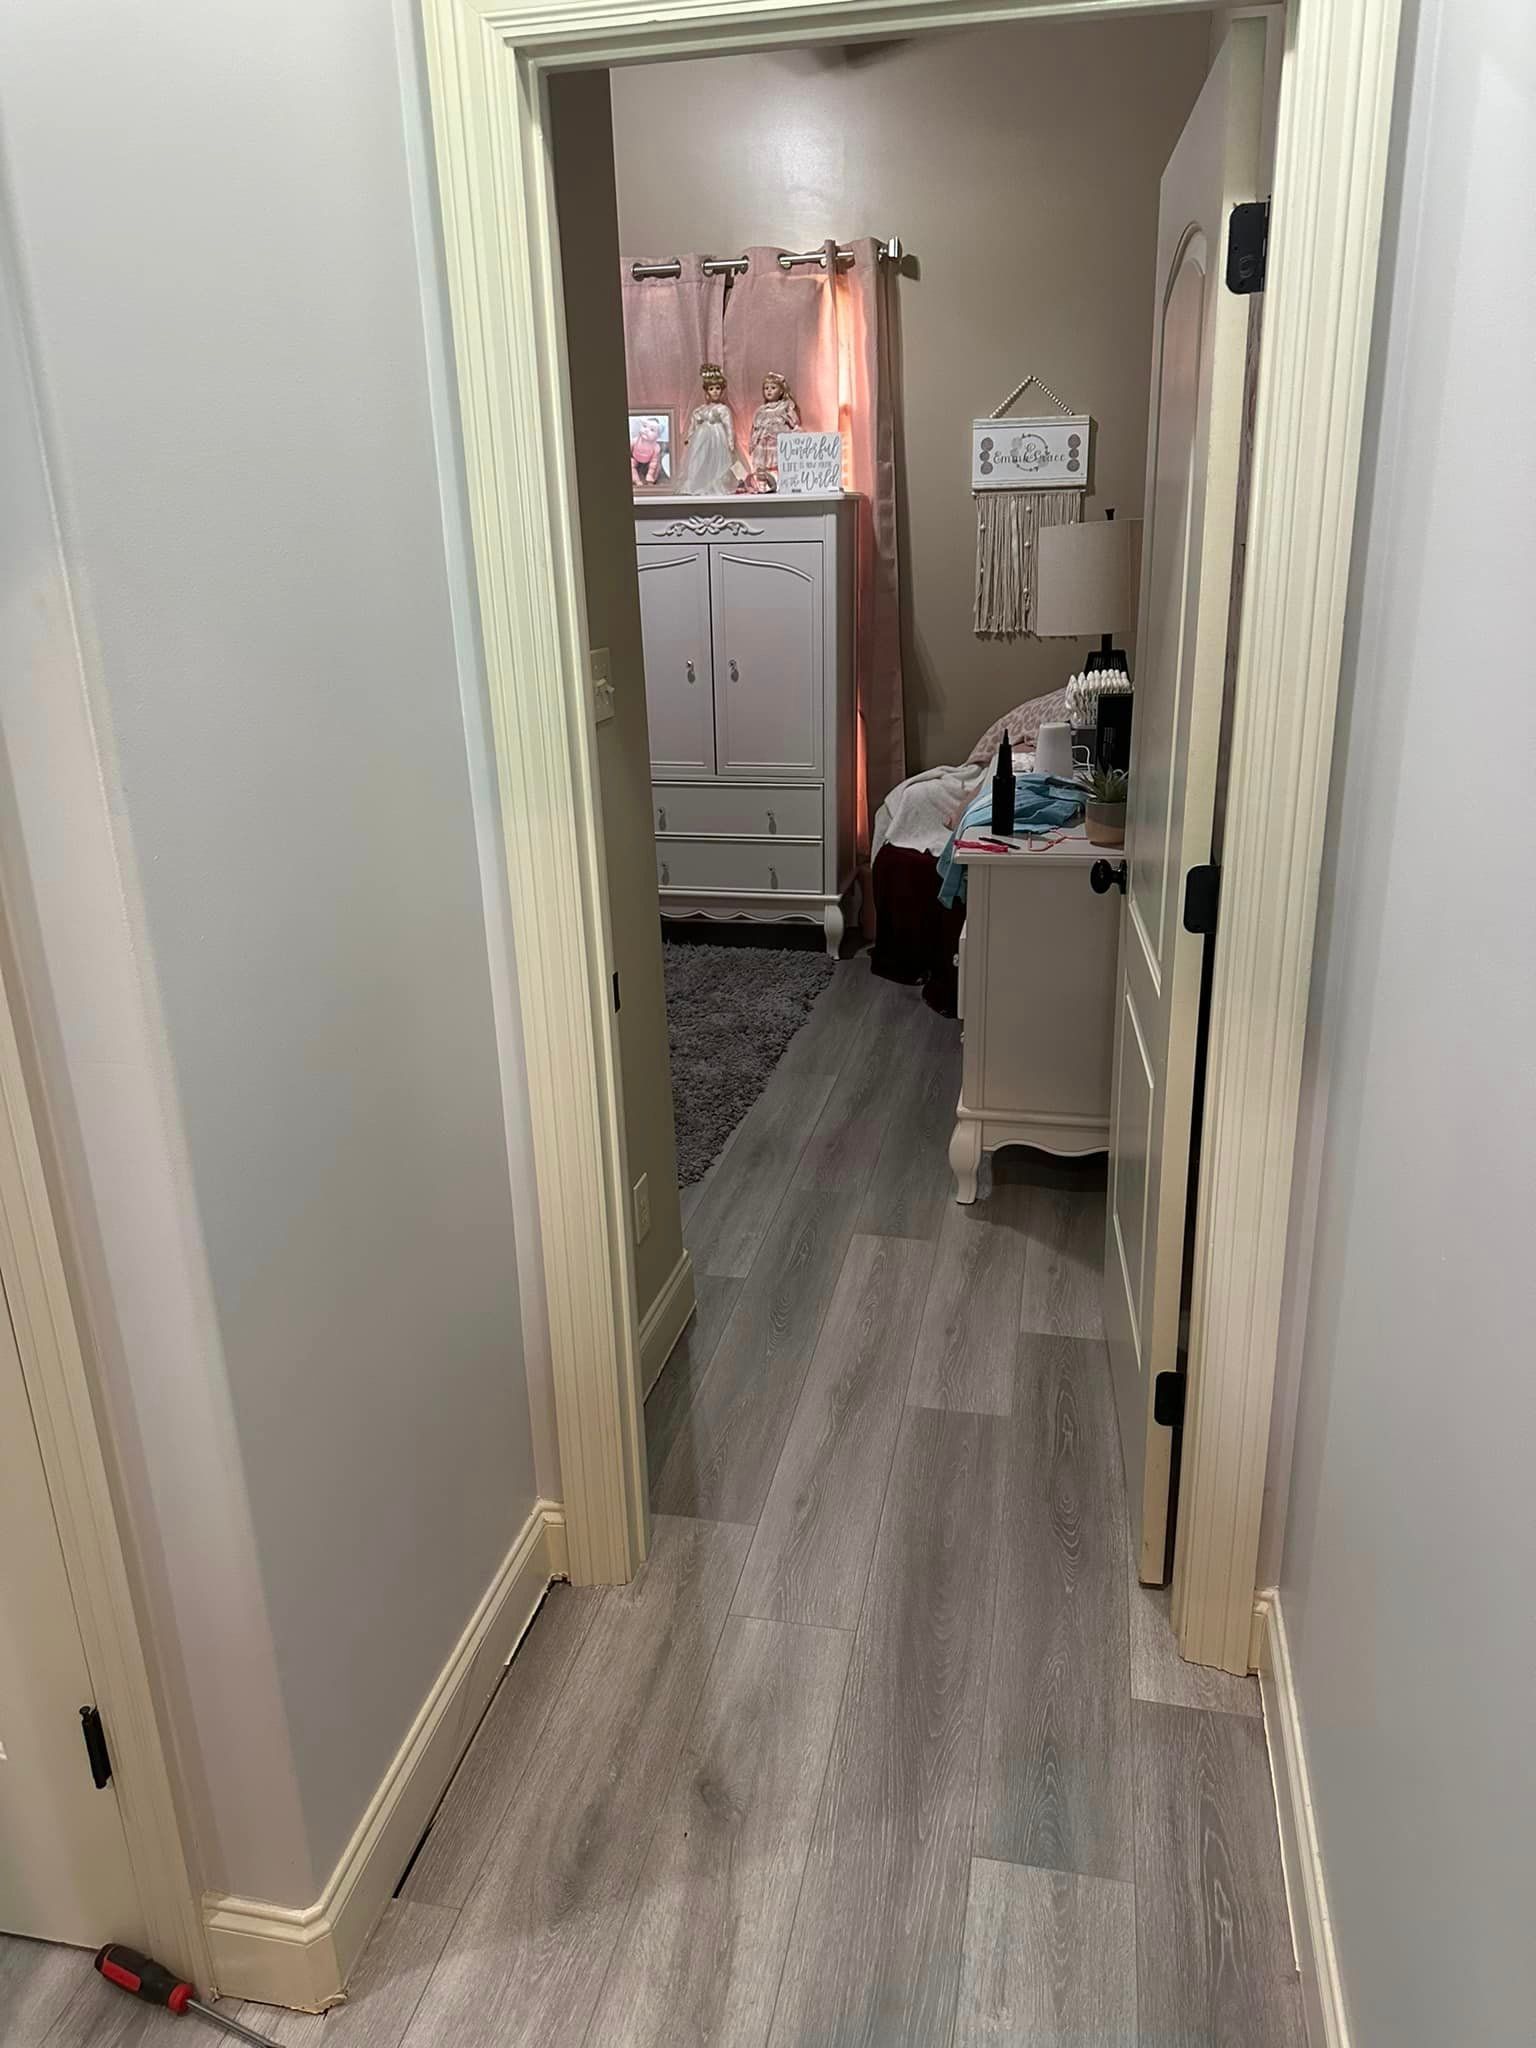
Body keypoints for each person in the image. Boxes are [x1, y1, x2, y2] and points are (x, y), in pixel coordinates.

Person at [680, 365, 745, 496]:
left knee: (719, 461)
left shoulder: (722, 409)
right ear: (706, 391)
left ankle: (721, 483)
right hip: (702, 438)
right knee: (700, 458)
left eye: (717, 389)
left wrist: (730, 442)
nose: (715, 392)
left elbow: (729, 426)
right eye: (711, 389)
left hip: (718, 437)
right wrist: (689, 437)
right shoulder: (701, 410)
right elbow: (694, 424)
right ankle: (697, 483)